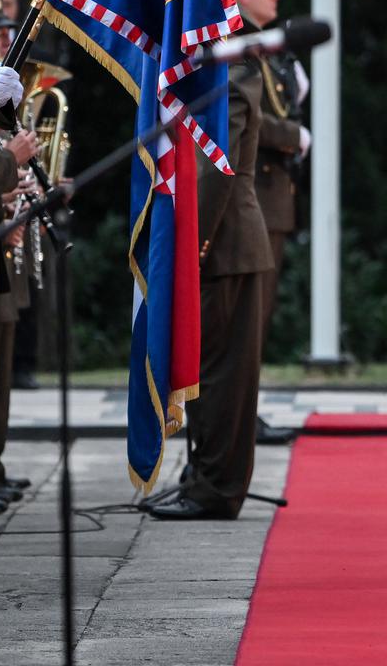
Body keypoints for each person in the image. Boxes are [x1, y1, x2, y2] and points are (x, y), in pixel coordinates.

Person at [147, 53, 274, 519]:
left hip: (222, 243)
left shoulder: (234, 69)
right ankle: (205, 477)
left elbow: (219, 164)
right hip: (222, 243)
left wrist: (192, 244)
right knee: (211, 372)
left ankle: (216, 489)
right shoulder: (213, 69)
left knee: (221, 377)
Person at [226, 0, 310, 445]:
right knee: (243, 320)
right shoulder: (238, 47)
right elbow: (252, 121)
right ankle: (233, 417)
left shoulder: (266, 49)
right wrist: (293, 136)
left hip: (272, 197)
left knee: (255, 320)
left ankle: (242, 413)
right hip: (249, 194)